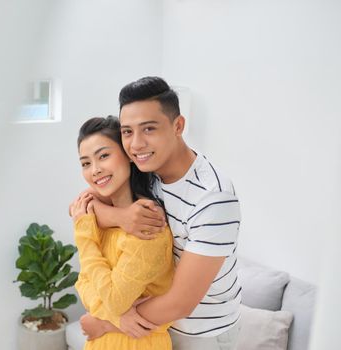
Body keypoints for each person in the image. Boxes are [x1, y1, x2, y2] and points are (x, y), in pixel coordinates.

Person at [78, 77, 242, 350]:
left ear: (178, 126)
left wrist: (108, 321)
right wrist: (121, 217)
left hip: (202, 334)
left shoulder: (213, 198)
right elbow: (83, 208)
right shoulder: (147, 172)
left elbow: (181, 302)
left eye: (149, 129)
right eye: (128, 132)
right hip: (154, 329)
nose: (137, 144)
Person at [69, 116, 175, 350]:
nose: (95, 170)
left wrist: (84, 237)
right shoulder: (102, 218)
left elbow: (115, 300)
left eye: (103, 156)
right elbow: (83, 282)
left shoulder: (149, 224)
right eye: (85, 163)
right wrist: (116, 318)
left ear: (129, 155)